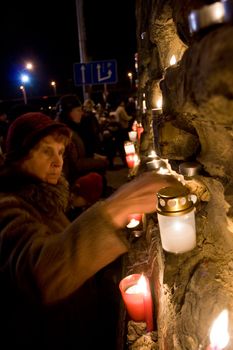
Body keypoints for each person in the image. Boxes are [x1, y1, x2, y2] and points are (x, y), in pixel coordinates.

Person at [0, 112, 178, 348]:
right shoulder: (7, 206)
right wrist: (116, 208)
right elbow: (42, 272)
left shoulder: (44, 197)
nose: (58, 162)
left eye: (61, 152)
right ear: (19, 156)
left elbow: (62, 237)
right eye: (46, 151)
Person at [56, 94, 109, 192]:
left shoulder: (73, 129)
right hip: (71, 183)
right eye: (78, 110)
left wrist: (94, 156)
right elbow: (74, 165)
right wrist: (100, 162)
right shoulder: (65, 134)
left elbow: (81, 153)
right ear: (68, 113)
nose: (82, 113)